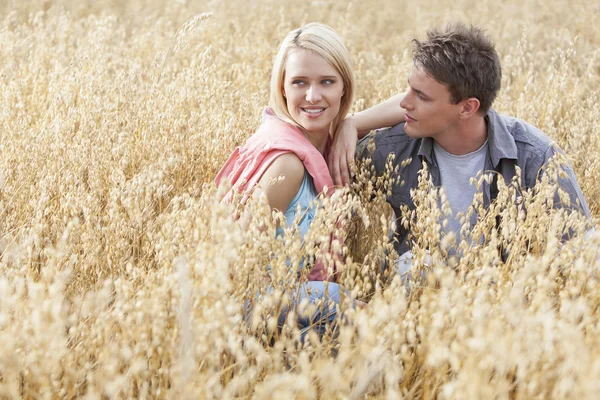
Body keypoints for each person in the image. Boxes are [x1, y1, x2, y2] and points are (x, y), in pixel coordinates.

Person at [328, 22, 591, 274]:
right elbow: (317, 202)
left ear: (467, 107)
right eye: (409, 89)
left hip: (506, 298)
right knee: (414, 266)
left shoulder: (537, 156)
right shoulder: (392, 148)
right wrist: (348, 124)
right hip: (416, 297)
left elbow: (578, 249)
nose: (405, 103)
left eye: (421, 96)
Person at [215, 22, 355, 339]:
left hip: (289, 307)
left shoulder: (331, 146)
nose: (312, 95)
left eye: (327, 82)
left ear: (344, 87)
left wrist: (353, 123)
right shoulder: (289, 164)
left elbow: (419, 97)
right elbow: (238, 268)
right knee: (351, 307)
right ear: (282, 88)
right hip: (252, 311)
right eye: (299, 82)